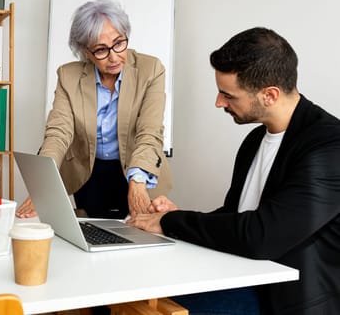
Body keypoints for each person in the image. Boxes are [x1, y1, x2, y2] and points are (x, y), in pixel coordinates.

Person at [128, 27, 340, 315]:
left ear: (270, 95)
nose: (219, 102)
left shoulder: (330, 146)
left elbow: (260, 236)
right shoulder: (255, 140)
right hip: (244, 280)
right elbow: (237, 217)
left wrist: (174, 222)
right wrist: (168, 218)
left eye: (228, 95)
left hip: (288, 302)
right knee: (140, 293)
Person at [16, 0, 173, 219]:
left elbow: (150, 131)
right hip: (88, 173)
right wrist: (43, 185)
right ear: (86, 52)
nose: (114, 57)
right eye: (101, 50)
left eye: (119, 43)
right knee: (92, 234)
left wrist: (137, 181)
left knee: (141, 233)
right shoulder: (68, 76)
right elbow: (58, 133)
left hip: (136, 169)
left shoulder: (151, 69)